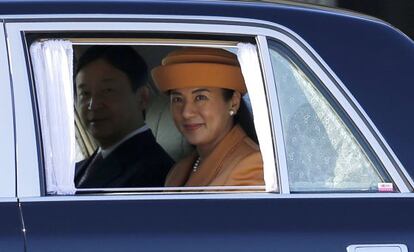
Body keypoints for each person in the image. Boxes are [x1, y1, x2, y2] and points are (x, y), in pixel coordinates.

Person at [152, 47, 264, 187]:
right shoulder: (180, 169)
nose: (186, 112)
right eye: (177, 99)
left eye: (200, 97)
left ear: (233, 102)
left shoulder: (251, 166)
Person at [74, 46, 174, 188]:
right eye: (85, 93)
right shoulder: (77, 170)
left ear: (142, 98)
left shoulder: (155, 174)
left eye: (107, 90)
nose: (93, 104)